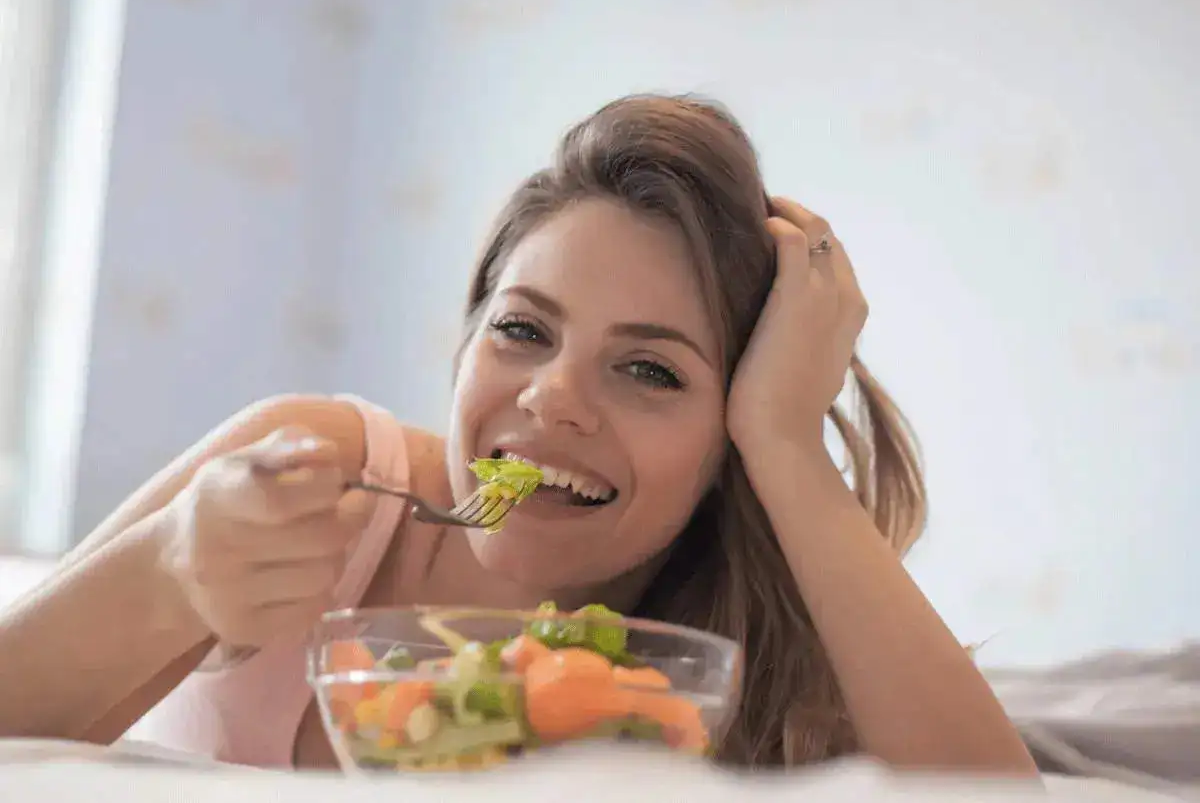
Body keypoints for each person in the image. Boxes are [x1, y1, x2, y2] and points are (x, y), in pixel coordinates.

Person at [0, 95, 1037, 775]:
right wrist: (170, 572)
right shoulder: (319, 474)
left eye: (649, 370)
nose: (551, 398)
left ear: (731, 449)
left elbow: (986, 796)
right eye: (523, 330)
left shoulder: (747, 651)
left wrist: (788, 442)